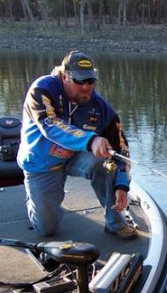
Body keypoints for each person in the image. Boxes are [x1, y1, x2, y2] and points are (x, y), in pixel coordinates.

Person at [17, 51, 136, 239]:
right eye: (79, 81)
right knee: (46, 229)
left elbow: (121, 151)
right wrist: (90, 140)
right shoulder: (42, 90)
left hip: (75, 156)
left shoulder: (101, 108)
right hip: (41, 163)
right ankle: (37, 202)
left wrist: (122, 185)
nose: (86, 87)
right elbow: (51, 125)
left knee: (105, 160)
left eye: (90, 81)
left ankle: (115, 222)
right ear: (65, 76)